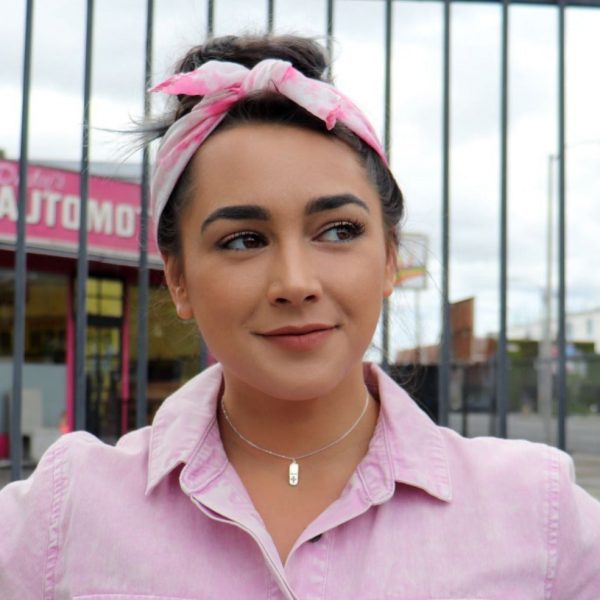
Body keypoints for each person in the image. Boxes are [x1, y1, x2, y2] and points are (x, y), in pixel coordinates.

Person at [1, 34, 599, 599]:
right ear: (178, 279)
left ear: (390, 258)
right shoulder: (66, 510)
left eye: (338, 230)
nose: (295, 283)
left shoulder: (539, 514)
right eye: (242, 240)